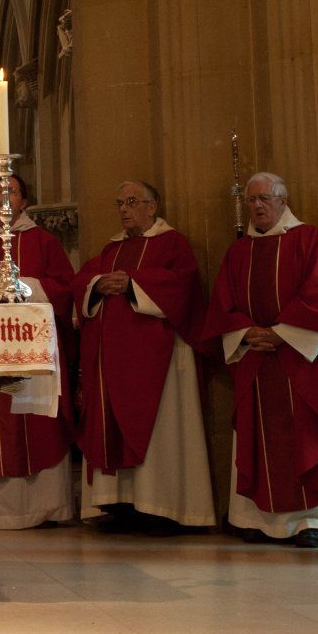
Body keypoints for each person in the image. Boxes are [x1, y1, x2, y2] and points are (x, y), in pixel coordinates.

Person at [199, 173, 318, 548]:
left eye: (265, 198)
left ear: (283, 200)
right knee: (258, 436)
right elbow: (222, 306)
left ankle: (315, 520)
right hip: (257, 359)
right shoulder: (238, 251)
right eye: (252, 200)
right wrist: (246, 333)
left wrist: (281, 333)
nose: (258, 206)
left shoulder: (311, 241)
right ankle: (257, 519)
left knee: (307, 433)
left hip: (304, 360)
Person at [72, 180, 215, 534]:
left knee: (161, 431)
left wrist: (133, 283)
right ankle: (120, 504)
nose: (123, 209)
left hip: (158, 361)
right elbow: (82, 280)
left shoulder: (173, 243)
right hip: (113, 362)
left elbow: (183, 286)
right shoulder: (111, 248)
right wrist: (96, 285)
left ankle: (160, 506)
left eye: (132, 202)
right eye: (119, 202)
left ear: (153, 207)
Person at [0, 175, 77, 530]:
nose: (6, 197)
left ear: (25, 200)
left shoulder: (45, 243)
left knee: (38, 425)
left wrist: (30, 287)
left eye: (13, 191)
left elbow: (66, 288)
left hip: (33, 349)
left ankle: (46, 508)